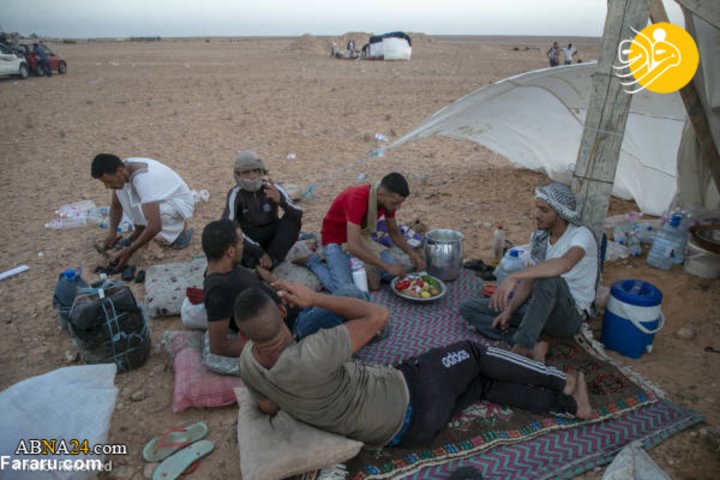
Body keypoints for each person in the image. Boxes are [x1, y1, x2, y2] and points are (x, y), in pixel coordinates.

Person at [235, 282, 592, 448]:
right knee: (474, 353)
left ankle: (569, 407)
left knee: (480, 384)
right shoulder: (315, 352)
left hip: (404, 436)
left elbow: (267, 406)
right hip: (414, 395)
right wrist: (313, 298)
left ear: (245, 333)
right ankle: (561, 381)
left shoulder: (249, 363)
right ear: (283, 311)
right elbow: (378, 315)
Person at [459, 183, 599, 362]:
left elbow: (564, 264)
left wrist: (513, 276)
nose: (537, 214)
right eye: (537, 208)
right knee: (469, 309)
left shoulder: (581, 236)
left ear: (561, 213)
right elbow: (530, 278)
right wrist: (509, 310)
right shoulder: (540, 236)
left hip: (568, 314)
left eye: (544, 210)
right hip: (538, 307)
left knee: (549, 280)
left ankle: (521, 347)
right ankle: (536, 344)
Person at [202, 219, 363, 358]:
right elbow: (219, 346)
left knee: (349, 295)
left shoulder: (227, 267)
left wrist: (275, 283)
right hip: (295, 329)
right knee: (352, 295)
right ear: (230, 251)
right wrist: (278, 347)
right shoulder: (218, 289)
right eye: (241, 243)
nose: (243, 246)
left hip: (296, 308)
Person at [300, 172, 426, 296]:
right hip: (335, 240)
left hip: (360, 238)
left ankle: (346, 266)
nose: (398, 207)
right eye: (395, 203)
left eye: (400, 203)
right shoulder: (356, 198)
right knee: (345, 291)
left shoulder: (387, 202)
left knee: (396, 275)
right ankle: (313, 262)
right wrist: (386, 266)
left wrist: (412, 253)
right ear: (381, 195)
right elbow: (353, 247)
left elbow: (394, 232)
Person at [91, 154, 194, 269]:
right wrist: (113, 233)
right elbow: (116, 205)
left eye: (109, 181)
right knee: (123, 191)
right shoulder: (122, 170)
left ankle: (180, 232)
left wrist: (129, 251)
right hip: (157, 196)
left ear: (119, 171)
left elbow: (155, 226)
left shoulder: (143, 180)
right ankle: (139, 230)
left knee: (151, 212)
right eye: (104, 183)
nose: (107, 186)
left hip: (177, 202)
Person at [221, 151, 302, 270]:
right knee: (229, 233)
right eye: (246, 172)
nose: (252, 176)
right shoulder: (235, 194)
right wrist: (257, 251)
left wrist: (281, 201)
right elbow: (228, 225)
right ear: (238, 174)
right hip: (249, 239)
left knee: (293, 220)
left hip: (272, 235)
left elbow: (298, 213)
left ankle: (271, 261)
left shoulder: (272, 187)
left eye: (256, 171)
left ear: (262, 171)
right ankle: (259, 263)